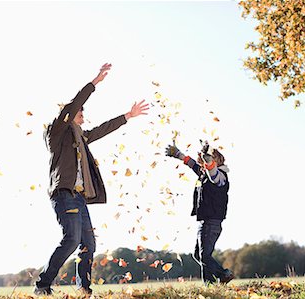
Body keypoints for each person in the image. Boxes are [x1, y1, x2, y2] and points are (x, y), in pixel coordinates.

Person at [34, 63, 149, 296]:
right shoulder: (57, 134)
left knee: (88, 243)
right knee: (71, 239)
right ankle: (42, 285)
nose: (84, 118)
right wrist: (95, 83)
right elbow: (74, 104)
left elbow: (102, 130)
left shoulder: (80, 138)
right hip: (64, 194)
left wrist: (128, 115)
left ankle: (83, 289)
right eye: (81, 114)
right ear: (69, 116)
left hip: (78, 197)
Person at [165, 140, 234, 285]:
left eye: (206, 162)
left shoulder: (221, 176)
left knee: (204, 256)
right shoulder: (204, 174)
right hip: (206, 221)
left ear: (214, 161)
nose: (202, 164)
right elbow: (193, 166)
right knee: (199, 255)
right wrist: (179, 155)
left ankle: (223, 274)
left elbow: (214, 175)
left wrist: (209, 163)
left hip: (211, 222)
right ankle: (209, 285)